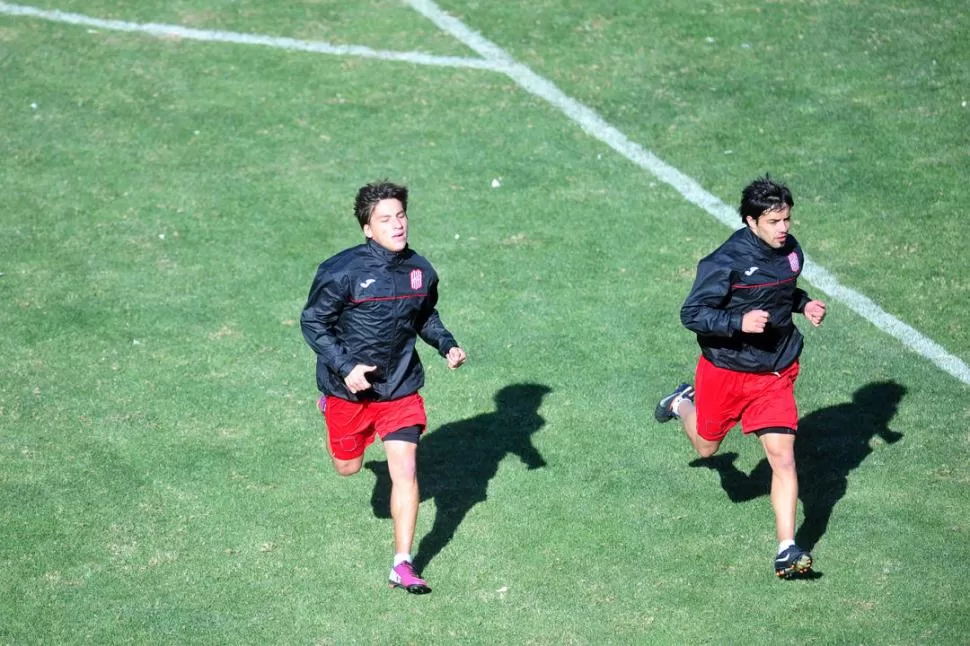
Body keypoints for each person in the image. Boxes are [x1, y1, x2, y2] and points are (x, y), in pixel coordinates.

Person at [654, 175, 827, 579]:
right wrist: (737, 321)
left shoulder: (791, 252)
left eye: (786, 219)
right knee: (707, 448)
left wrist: (804, 305)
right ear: (751, 222)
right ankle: (681, 402)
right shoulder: (725, 261)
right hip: (726, 372)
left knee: (783, 458)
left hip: (775, 370)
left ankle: (786, 548)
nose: (784, 229)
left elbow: (784, 291)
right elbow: (692, 314)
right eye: (774, 222)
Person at [300, 180, 467, 594]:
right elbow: (313, 323)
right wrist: (345, 367)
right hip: (348, 391)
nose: (397, 225)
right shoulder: (341, 271)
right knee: (347, 467)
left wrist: (447, 344)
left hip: (400, 388)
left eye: (401, 216)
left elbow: (424, 316)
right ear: (367, 229)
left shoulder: (421, 270)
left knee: (407, 471)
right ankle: (332, 413)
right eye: (385, 219)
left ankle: (402, 564)